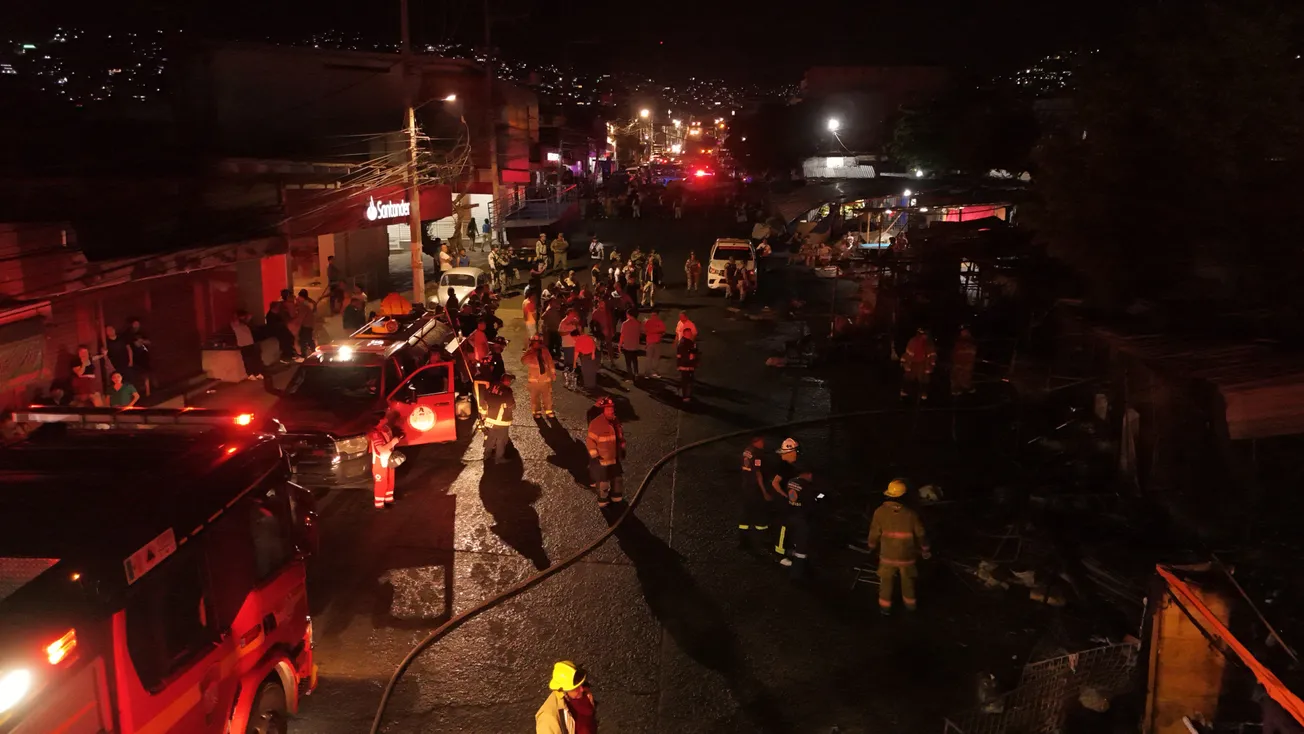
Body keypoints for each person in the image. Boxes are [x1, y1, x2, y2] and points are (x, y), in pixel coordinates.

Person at [868, 479, 932, 615]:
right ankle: (910, 607)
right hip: (907, 556)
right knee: (908, 581)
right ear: (904, 496)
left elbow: (874, 532)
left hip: (887, 556)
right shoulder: (911, 514)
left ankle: (885, 608)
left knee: (885, 582)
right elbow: (921, 535)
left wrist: (871, 545)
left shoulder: (880, 512)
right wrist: (925, 549)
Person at [535, 661, 596, 734]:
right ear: (562, 689)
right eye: (575, 688)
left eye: (581, 684)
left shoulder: (582, 697)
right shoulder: (547, 718)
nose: (582, 689)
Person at [587, 397, 626, 507]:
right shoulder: (596, 423)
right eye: (608, 409)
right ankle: (603, 499)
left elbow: (619, 436)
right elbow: (591, 441)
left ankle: (616, 495)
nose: (611, 411)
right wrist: (594, 455)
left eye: (611, 408)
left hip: (613, 457)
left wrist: (622, 448)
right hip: (602, 458)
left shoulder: (615, 421)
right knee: (603, 481)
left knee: (617, 478)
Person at [737, 436, 771, 549]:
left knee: (745, 513)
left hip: (745, 486)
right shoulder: (757, 454)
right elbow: (758, 474)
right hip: (755, 488)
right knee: (759, 512)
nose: (763, 443)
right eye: (762, 441)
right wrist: (764, 491)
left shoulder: (746, 450)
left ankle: (743, 540)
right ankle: (762, 540)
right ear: (756, 441)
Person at [770, 438, 802, 556]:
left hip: (787, 499)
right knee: (784, 526)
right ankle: (780, 552)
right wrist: (785, 496)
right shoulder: (784, 466)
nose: (796, 454)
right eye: (795, 452)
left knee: (790, 525)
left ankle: (788, 546)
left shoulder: (790, 465)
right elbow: (775, 483)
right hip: (783, 501)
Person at [778, 469, 814, 571]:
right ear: (808, 474)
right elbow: (811, 502)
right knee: (801, 541)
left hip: (790, 514)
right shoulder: (807, 487)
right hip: (801, 517)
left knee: (789, 537)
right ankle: (798, 568)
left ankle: (788, 557)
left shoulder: (791, 481)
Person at [369, 410, 403, 509]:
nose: (386, 419)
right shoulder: (375, 433)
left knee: (390, 479)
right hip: (379, 461)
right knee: (381, 482)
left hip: (389, 458)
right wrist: (394, 442)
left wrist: (398, 436)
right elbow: (381, 448)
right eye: (383, 418)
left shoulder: (385, 429)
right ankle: (379, 504)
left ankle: (389, 499)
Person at [483, 373, 516, 463]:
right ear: (507, 381)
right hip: (501, 420)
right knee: (502, 439)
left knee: (491, 437)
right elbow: (512, 405)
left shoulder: (493, 386)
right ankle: (499, 458)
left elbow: (485, 397)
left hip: (490, 417)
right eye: (510, 381)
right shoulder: (507, 391)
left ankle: (486, 455)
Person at [522, 336, 557, 419]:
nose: (537, 344)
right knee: (535, 397)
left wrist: (553, 374)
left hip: (545, 378)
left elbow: (550, 362)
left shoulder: (545, 351)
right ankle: (536, 411)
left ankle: (549, 411)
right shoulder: (529, 352)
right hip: (534, 379)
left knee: (547, 396)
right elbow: (523, 361)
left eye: (538, 342)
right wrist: (532, 354)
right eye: (535, 342)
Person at [900, 326, 937, 400]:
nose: (925, 336)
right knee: (908, 378)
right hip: (913, 362)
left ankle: (923, 394)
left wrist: (930, 366)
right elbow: (908, 353)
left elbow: (932, 355)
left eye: (926, 335)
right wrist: (905, 363)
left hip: (923, 363)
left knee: (924, 379)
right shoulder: (913, 341)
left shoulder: (929, 343)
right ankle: (905, 392)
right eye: (923, 334)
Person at [232, 310, 265, 380]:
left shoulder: (244, 324)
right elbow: (236, 320)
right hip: (243, 344)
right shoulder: (235, 324)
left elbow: (249, 316)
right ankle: (250, 374)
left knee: (255, 359)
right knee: (248, 360)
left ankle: (257, 373)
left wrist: (246, 317)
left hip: (250, 343)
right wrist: (238, 316)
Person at [124, 317, 152, 397]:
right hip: (135, 356)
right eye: (135, 324)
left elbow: (149, 342)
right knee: (135, 374)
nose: (136, 325)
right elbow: (129, 345)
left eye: (137, 324)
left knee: (146, 373)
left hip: (144, 354)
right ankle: (136, 393)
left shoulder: (142, 333)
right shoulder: (129, 334)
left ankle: (148, 391)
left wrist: (142, 341)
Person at [951, 326, 978, 396]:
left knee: (965, 376)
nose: (962, 333)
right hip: (959, 363)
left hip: (966, 364)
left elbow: (972, 353)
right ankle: (957, 390)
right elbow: (955, 352)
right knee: (957, 376)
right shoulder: (958, 341)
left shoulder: (970, 341)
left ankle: (966, 389)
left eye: (964, 331)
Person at [675, 328, 700, 402]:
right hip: (686, 365)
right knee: (686, 381)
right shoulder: (684, 344)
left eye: (690, 333)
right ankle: (686, 396)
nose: (690, 335)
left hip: (687, 365)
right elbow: (682, 356)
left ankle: (686, 395)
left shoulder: (687, 342)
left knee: (687, 381)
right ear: (685, 334)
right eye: (689, 333)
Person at [618, 310, 642, 380]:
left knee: (628, 363)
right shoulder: (638, 323)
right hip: (635, 346)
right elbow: (640, 334)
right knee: (635, 361)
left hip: (627, 346)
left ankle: (630, 376)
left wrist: (620, 345)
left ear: (628, 315)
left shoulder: (625, 324)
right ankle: (636, 374)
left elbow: (622, 336)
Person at [641, 310, 666, 378]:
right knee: (656, 358)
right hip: (657, 343)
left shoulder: (647, 322)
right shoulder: (660, 322)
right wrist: (658, 333)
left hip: (649, 343)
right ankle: (655, 372)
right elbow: (663, 331)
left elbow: (644, 331)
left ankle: (647, 373)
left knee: (649, 358)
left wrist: (650, 332)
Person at [574, 326, 599, 390]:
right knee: (592, 370)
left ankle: (587, 386)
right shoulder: (587, 337)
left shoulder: (578, 341)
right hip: (591, 356)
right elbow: (593, 344)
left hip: (585, 356)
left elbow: (576, 354)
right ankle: (593, 384)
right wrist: (593, 354)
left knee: (585, 371)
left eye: (573, 338)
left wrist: (574, 363)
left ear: (576, 336)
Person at [295, 289, 318, 357]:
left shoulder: (304, 305)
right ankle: (312, 352)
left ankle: (306, 353)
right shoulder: (310, 303)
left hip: (305, 324)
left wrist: (298, 324)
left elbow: (301, 315)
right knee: (307, 339)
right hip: (309, 324)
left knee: (304, 339)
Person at [559, 308, 581, 376]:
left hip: (574, 343)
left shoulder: (574, 320)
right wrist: (570, 332)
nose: (574, 314)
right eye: (573, 313)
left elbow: (579, 327)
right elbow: (560, 333)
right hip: (567, 344)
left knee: (573, 359)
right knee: (568, 361)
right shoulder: (563, 322)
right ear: (569, 314)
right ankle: (567, 374)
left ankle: (571, 373)